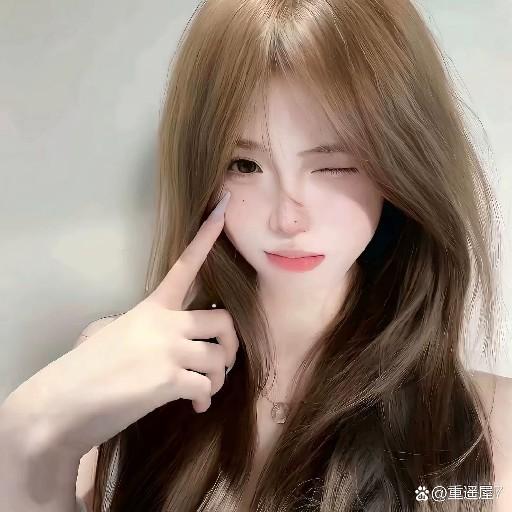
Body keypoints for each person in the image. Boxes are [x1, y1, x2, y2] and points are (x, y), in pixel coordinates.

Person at [0, 0, 510, 511]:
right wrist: (26, 435)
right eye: (245, 165)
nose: (288, 219)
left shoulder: (489, 430)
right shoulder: (120, 373)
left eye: (334, 166)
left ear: (404, 166)